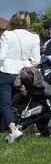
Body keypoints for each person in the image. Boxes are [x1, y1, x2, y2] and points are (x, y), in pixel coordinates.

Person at [1, 13, 41, 143]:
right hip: (24, 73)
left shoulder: (7, 34)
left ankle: (13, 130)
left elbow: (1, 56)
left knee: (4, 103)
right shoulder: (34, 37)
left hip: (7, 71)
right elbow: (36, 60)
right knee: (19, 101)